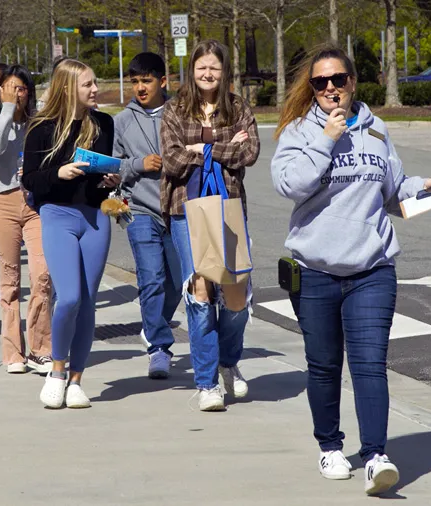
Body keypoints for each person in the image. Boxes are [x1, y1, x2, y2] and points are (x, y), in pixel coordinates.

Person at [270, 43, 431, 496]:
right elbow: (290, 185)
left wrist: (421, 187)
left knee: (370, 365)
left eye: (338, 80)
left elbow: (390, 190)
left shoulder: (377, 129)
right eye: (320, 83)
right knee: (324, 366)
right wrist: (326, 138)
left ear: (352, 82)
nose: (330, 89)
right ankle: (330, 446)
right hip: (316, 270)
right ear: (312, 89)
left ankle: (376, 456)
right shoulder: (298, 131)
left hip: (372, 267)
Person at [159, 40, 260, 412]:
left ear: (223, 71)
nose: (207, 73)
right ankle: (206, 383)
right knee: (201, 288)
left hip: (229, 206)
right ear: (192, 69)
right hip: (187, 208)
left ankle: (228, 360)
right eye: (202, 66)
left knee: (234, 292)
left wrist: (201, 148)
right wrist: (221, 144)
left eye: (214, 68)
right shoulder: (174, 110)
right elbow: (171, 161)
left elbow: (249, 152)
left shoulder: (238, 107)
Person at [22, 59, 119, 409]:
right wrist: (59, 173)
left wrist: (109, 181)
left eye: (94, 84)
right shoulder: (43, 128)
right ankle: (57, 371)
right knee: (69, 297)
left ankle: (77, 378)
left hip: (94, 216)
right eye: (88, 85)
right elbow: (30, 179)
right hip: (57, 215)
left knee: (89, 301)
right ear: (68, 88)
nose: (95, 90)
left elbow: (99, 179)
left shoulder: (103, 124)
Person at [0, 64, 52, 374]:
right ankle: (13, 353)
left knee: (42, 276)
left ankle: (41, 349)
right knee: (9, 281)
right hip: (4, 202)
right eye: (9, 88)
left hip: (35, 203)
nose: (16, 94)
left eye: (21, 89)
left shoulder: (39, 124)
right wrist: (7, 108)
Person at [113, 52, 181, 379]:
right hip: (139, 211)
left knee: (177, 283)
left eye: (147, 81)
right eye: (136, 81)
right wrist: (139, 164)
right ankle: (159, 347)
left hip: (178, 211)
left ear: (162, 82)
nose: (140, 87)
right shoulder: (121, 121)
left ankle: (154, 323)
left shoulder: (180, 113)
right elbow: (112, 167)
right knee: (151, 278)